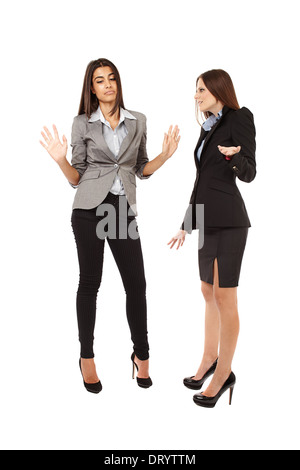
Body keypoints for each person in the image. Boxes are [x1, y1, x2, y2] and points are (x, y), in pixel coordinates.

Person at [40, 58, 180, 394]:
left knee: (136, 283)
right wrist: (60, 160)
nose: (108, 84)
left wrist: (165, 156)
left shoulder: (138, 121)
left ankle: (141, 355)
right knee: (90, 283)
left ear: (118, 82)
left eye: (112, 78)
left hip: (120, 210)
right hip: (89, 208)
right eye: (100, 80)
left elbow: (140, 168)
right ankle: (86, 358)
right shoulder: (82, 123)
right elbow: (77, 177)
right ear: (92, 88)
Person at [168, 69, 256, 408]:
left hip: (231, 221)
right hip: (206, 221)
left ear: (219, 89)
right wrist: (186, 225)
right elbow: (200, 181)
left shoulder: (240, 117)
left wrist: (234, 157)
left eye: (201, 89)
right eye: (196, 90)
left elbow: (250, 172)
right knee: (207, 291)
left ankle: (225, 374)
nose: (196, 95)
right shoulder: (208, 127)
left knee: (224, 296)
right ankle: (209, 359)